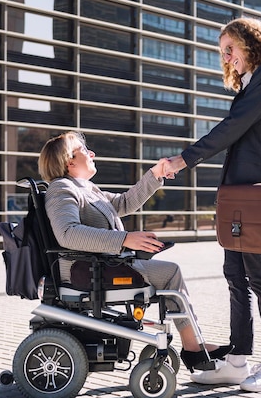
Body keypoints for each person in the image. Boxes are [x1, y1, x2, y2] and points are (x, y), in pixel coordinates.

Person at [165, 17, 261, 392]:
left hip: (257, 192)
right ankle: (238, 360)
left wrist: (182, 160)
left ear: (249, 42)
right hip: (239, 193)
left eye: (230, 49)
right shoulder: (254, 81)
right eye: (223, 52)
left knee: (259, 276)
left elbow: (233, 127)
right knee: (235, 275)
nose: (226, 58)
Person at [37, 131, 231, 371]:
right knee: (170, 273)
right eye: (85, 150)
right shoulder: (61, 189)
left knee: (170, 272)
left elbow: (124, 203)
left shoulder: (86, 189)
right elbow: (67, 233)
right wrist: (126, 239)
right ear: (69, 161)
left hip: (101, 266)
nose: (92, 153)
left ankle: (193, 346)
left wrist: (155, 174)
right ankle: (193, 348)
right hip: (85, 272)